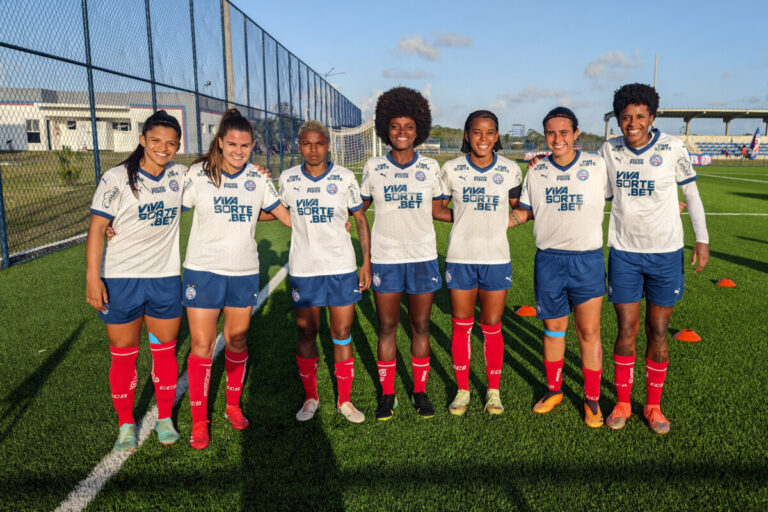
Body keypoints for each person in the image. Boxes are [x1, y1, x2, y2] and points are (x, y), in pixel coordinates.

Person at [599, 83, 709, 434]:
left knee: (658, 329)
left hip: (665, 253)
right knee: (626, 329)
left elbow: (691, 194)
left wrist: (701, 239)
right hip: (625, 253)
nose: (633, 123)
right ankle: (622, 401)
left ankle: (653, 405)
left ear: (652, 117)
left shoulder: (673, 147)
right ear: (618, 120)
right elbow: (595, 191)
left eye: (640, 116)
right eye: (626, 117)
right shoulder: (608, 150)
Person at [182, 108, 291, 449]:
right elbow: (170, 207)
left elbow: (282, 215)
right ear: (220, 142)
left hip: (244, 271)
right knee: (201, 345)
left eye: (245, 146)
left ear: (253, 146)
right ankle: (199, 421)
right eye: (232, 144)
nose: (238, 151)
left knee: (237, 342)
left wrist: (327, 220)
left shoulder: (258, 178)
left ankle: (231, 405)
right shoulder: (197, 174)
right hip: (203, 270)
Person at [86, 110, 185, 451]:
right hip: (122, 279)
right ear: (142, 140)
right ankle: (126, 423)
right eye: (156, 140)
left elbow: (216, 172)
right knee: (124, 356)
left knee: (164, 355)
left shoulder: (180, 176)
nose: (163, 148)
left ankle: (164, 418)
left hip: (165, 278)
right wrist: (92, 277)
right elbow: (98, 228)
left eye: (171, 143)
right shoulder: (116, 178)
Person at [511, 107, 609, 427]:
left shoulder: (596, 166)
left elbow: (621, 198)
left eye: (564, 132)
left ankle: (592, 399)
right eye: (551, 133)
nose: (557, 139)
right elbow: (523, 213)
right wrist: (488, 223)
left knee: (589, 332)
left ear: (576, 134)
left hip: (587, 260)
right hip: (549, 261)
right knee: (553, 330)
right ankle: (554, 390)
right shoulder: (537, 172)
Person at [360, 87, 451, 420]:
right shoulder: (373, 168)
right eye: (395, 126)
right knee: (386, 327)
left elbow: (442, 210)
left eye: (408, 126)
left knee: (421, 326)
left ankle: (420, 391)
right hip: (386, 258)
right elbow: (358, 211)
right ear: (386, 128)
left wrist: (482, 213)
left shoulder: (430, 167)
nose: (401, 132)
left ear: (419, 129)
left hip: (422, 257)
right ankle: (387, 394)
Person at [278, 120, 372, 423]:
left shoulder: (345, 178)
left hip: (342, 267)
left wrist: (366, 260)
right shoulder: (288, 179)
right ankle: (311, 397)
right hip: (305, 270)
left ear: (328, 145)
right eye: (307, 143)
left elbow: (359, 218)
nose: (313, 149)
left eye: (319, 143)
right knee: (307, 332)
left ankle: (345, 400)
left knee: (341, 333)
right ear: (299, 145)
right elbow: (276, 210)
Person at [439, 110, 522, 415]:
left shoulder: (511, 170)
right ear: (467, 135)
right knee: (461, 326)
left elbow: (522, 208)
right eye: (477, 132)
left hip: (496, 259)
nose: (483, 138)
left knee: (491, 326)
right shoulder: (451, 169)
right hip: (460, 257)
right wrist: (466, 220)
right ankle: (462, 390)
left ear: (497, 136)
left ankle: (493, 391)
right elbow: (438, 208)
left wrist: (501, 223)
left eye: (489, 133)